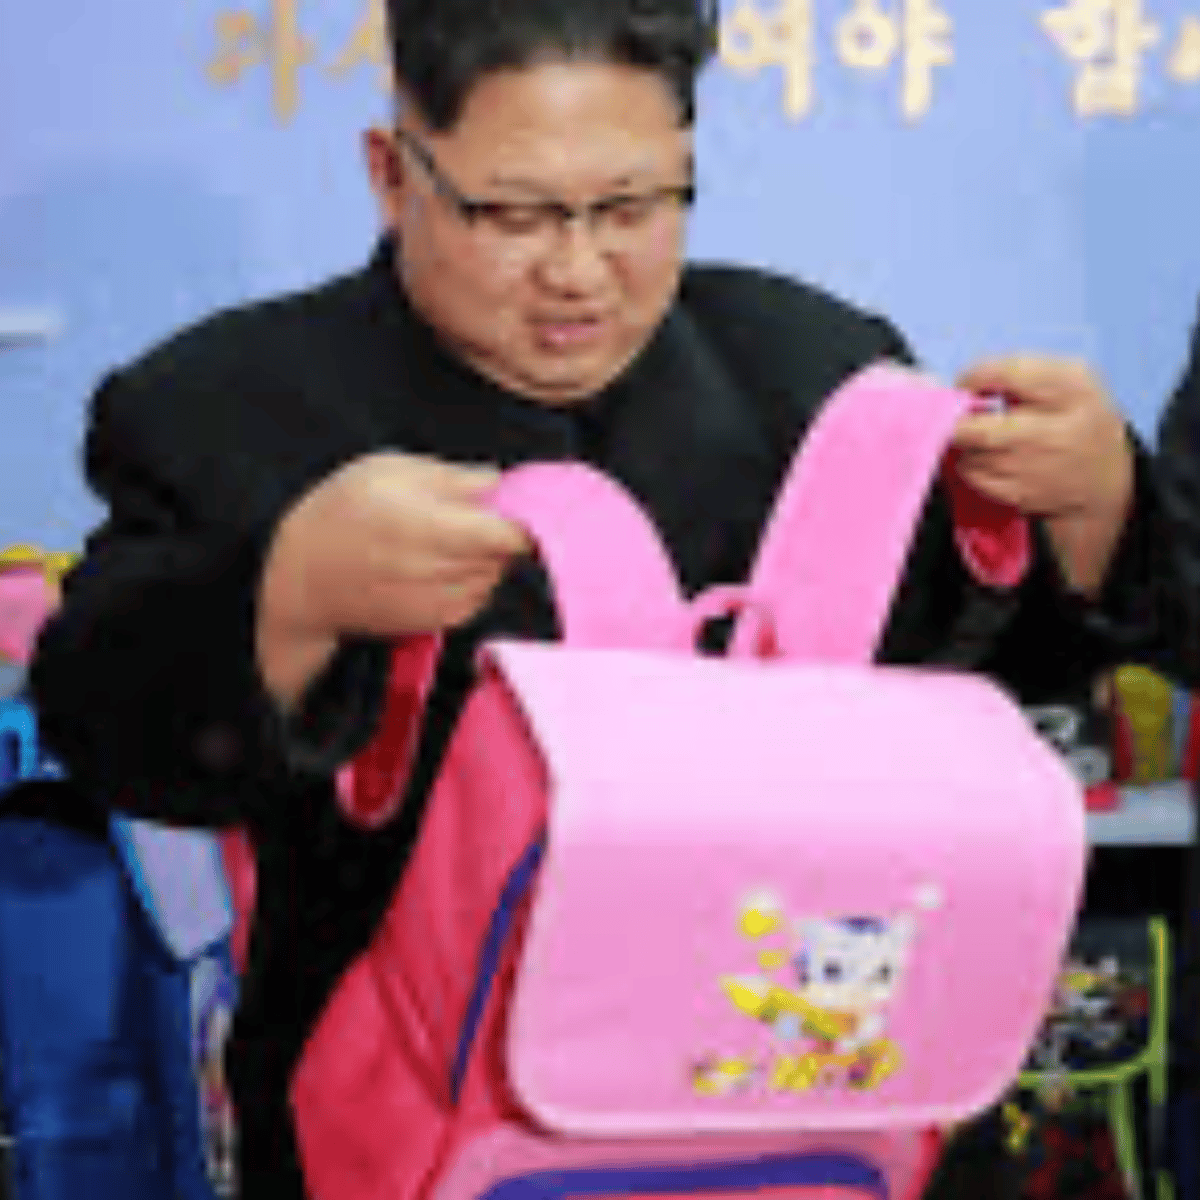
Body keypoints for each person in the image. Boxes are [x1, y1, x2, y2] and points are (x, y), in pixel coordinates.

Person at [27, 0, 1154, 1195]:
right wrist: (287, 600)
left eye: (630, 208)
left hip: (819, 1114)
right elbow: (105, 725)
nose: (576, 272)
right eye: (514, 215)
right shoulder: (224, 406)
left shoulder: (815, 366)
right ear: (393, 174)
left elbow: (980, 691)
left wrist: (1094, 518)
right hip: (422, 1134)